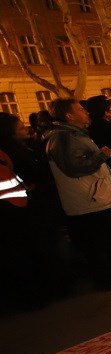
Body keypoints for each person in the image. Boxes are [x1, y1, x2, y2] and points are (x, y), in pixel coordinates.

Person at [44, 98, 111, 290]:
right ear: (69, 115)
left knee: (104, 239)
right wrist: (101, 156)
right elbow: (73, 167)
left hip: (93, 196)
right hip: (87, 199)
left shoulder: (74, 134)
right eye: (81, 110)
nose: (86, 113)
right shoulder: (63, 137)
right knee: (95, 243)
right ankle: (105, 279)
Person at [0, 112, 63, 308]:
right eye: (19, 128)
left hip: (19, 208)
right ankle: (34, 293)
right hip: (18, 210)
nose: (25, 130)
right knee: (26, 253)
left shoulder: (17, 149)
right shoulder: (11, 152)